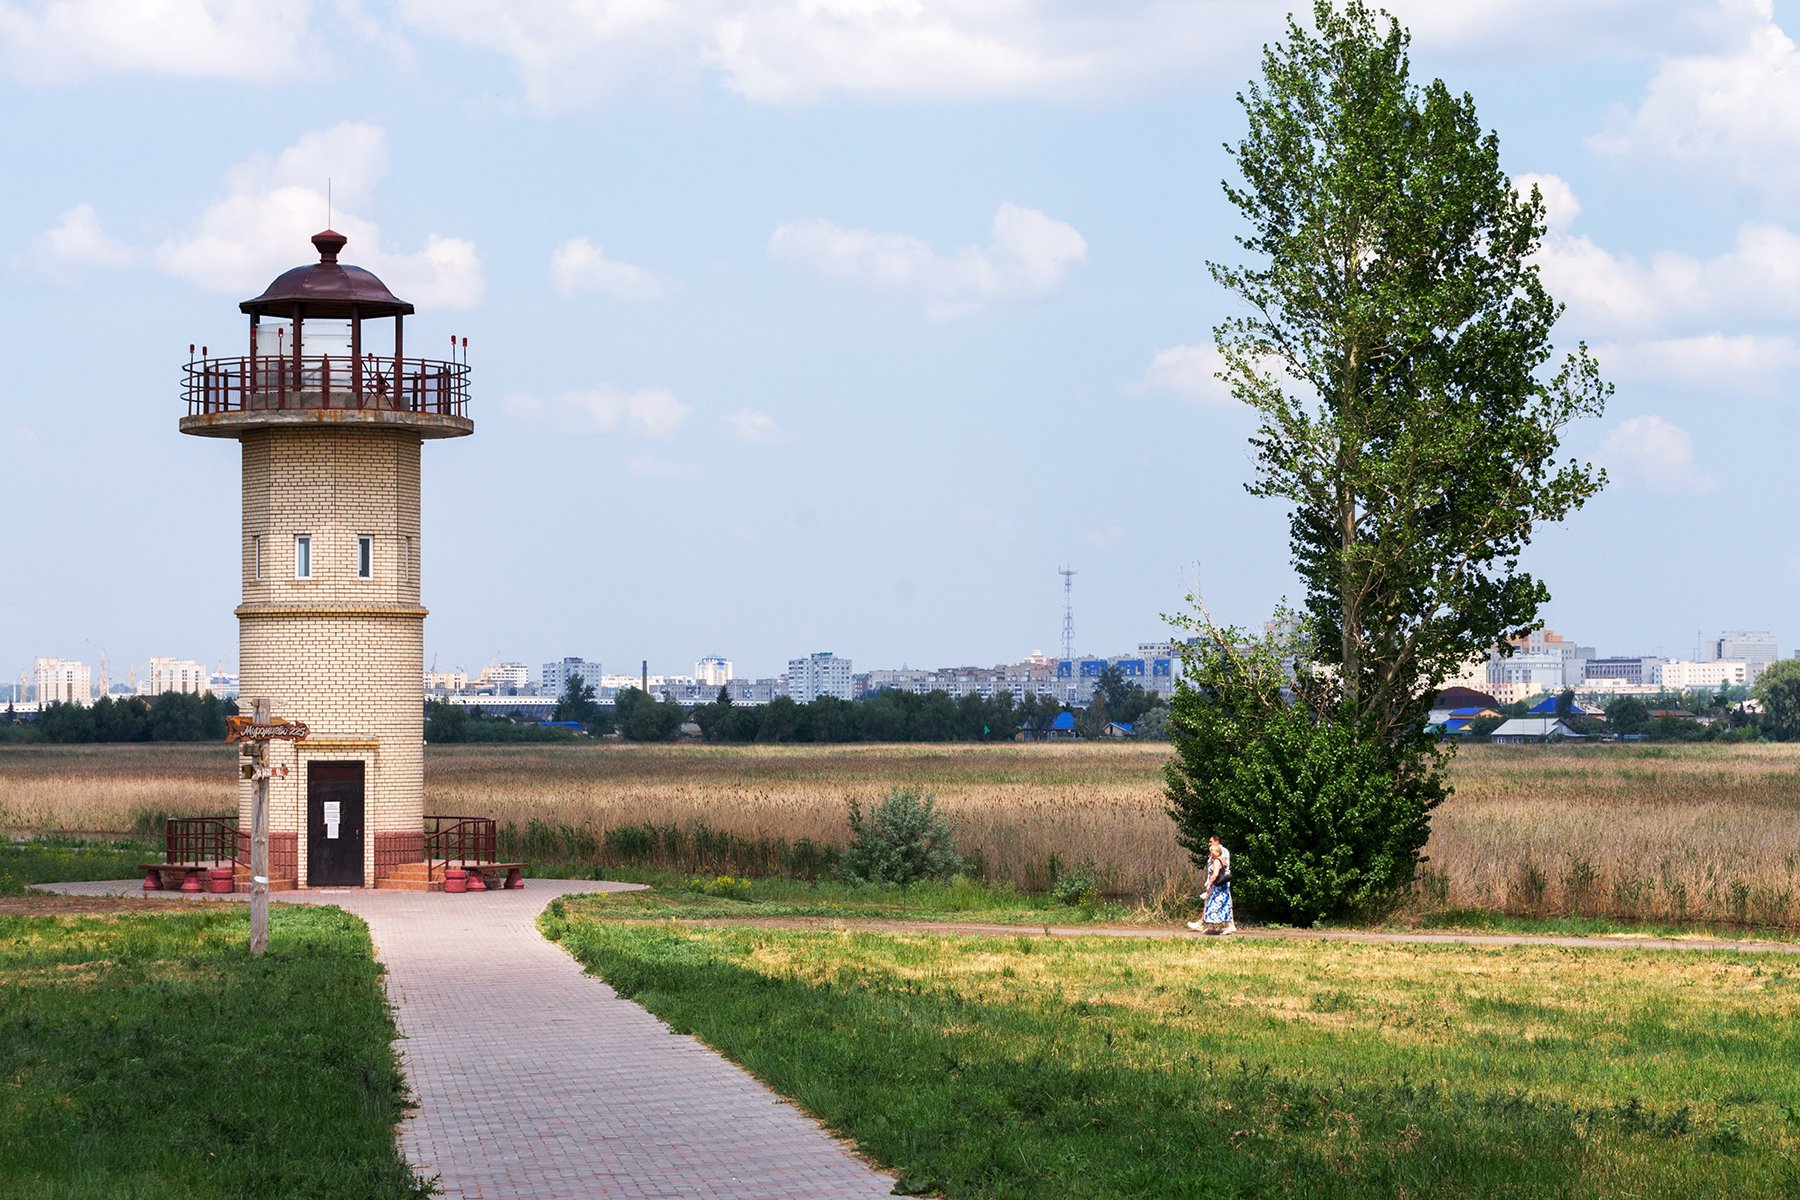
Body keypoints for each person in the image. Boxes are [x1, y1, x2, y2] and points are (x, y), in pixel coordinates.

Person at [1186, 839, 1237, 935]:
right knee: (1224, 905)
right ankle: (1219, 926)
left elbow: (1215, 874)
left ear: (1214, 853)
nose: (1210, 854)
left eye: (1211, 852)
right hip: (1224, 887)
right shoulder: (1223, 860)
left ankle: (1216, 926)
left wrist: (1209, 883)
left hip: (1218, 887)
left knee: (1212, 905)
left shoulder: (1216, 861)